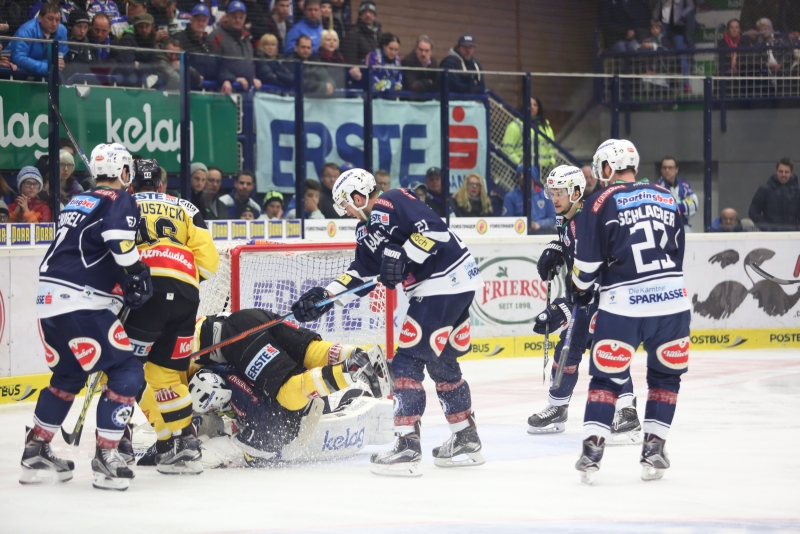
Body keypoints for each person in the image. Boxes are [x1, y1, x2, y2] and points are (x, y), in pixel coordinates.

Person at [291, 169, 486, 477]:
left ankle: (407, 445)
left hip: (442, 282)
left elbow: (435, 231)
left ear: (358, 196)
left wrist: (403, 255)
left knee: (407, 362)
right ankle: (465, 436)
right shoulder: (365, 230)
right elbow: (361, 275)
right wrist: (325, 297)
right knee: (442, 364)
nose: (344, 212)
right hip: (454, 284)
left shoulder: (392, 200)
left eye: (345, 204)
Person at [22, 143, 151, 491]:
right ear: (125, 172)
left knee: (68, 375)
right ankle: (107, 455)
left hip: (48, 302)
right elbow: (118, 242)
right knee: (126, 371)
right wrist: (137, 273)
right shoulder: (119, 198)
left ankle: (36, 449)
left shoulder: (77, 201)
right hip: (82, 302)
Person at [572, 139, 690, 484]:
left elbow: (586, 269)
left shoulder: (599, 201)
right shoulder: (667, 197)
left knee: (607, 378)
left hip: (623, 305)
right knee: (665, 378)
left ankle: (592, 451)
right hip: (672, 304)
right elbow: (678, 253)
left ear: (609, 167)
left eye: (600, 167)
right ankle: (654, 449)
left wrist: (577, 288)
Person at [164, 308, 391, 467]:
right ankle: (362, 356)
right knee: (309, 352)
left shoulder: (166, 372)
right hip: (248, 318)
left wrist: (167, 442)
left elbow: (180, 406)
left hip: (235, 339)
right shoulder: (173, 342)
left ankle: (352, 370)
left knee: (287, 392)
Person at [527, 165, 640, 442]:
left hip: (607, 295)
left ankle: (627, 411)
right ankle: (557, 407)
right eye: (552, 192)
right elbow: (575, 253)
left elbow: (600, 265)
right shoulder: (566, 216)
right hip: (587, 295)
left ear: (576, 192)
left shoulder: (588, 219)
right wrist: (557, 247)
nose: (554, 198)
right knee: (568, 350)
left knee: (607, 351)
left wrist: (565, 306)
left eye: (561, 193)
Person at [126, 158, 219, 475]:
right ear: (161, 184)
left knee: (124, 368)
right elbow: (209, 264)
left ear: (131, 184)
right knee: (165, 373)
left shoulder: (122, 205)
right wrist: (181, 281)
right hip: (185, 294)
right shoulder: (186, 207)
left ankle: (119, 439)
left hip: (144, 293)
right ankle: (183, 442)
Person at [208, 0, 262, 96]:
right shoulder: (216, 36)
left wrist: (253, 77)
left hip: (246, 91)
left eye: (241, 17)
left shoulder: (247, 37)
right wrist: (228, 79)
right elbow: (213, 64)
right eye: (234, 17)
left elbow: (249, 62)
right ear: (227, 16)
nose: (238, 20)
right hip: (224, 90)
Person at [10, 4, 68, 77]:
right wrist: (49, 67)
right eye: (50, 19)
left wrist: (55, 64)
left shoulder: (62, 31)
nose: (54, 24)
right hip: (18, 73)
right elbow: (18, 58)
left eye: (57, 20)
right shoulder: (26, 31)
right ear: (40, 18)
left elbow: (60, 55)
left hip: (45, 74)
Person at [501, 96, 557, 171]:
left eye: (535, 105)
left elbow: (552, 146)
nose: (532, 107)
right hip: (524, 170)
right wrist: (519, 164)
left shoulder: (546, 125)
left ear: (538, 108)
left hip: (545, 169)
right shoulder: (515, 125)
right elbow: (507, 148)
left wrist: (552, 161)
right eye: (529, 104)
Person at [502, 165, 557, 235]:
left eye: (524, 174)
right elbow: (506, 221)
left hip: (542, 235)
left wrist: (539, 224)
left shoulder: (545, 196)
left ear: (532, 177)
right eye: (519, 175)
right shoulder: (510, 197)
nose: (521, 177)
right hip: (519, 235)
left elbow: (553, 218)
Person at [748, 157, 799, 231]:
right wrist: (767, 228)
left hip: (793, 235)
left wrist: (797, 228)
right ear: (776, 171)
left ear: (791, 173)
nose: (783, 174)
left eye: (786, 172)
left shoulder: (797, 191)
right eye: (781, 171)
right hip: (771, 235)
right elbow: (753, 212)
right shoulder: (765, 190)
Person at [174, 4, 215, 82]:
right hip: (187, 85)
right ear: (191, 20)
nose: (200, 23)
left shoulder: (209, 42)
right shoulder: (179, 38)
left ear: (207, 22)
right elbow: (176, 64)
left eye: (203, 20)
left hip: (209, 85)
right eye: (197, 20)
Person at [656, 157, 697, 231]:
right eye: (664, 168)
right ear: (661, 170)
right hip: (665, 228)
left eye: (670, 168)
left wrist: (673, 205)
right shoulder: (656, 188)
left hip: (684, 227)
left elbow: (694, 204)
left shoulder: (685, 186)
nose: (667, 170)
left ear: (676, 170)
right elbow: (659, 210)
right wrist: (682, 203)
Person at [341, 0, 378, 65]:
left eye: (370, 12)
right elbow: (350, 58)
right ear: (360, 16)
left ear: (375, 16)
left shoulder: (378, 33)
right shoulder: (353, 33)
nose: (367, 15)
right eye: (364, 12)